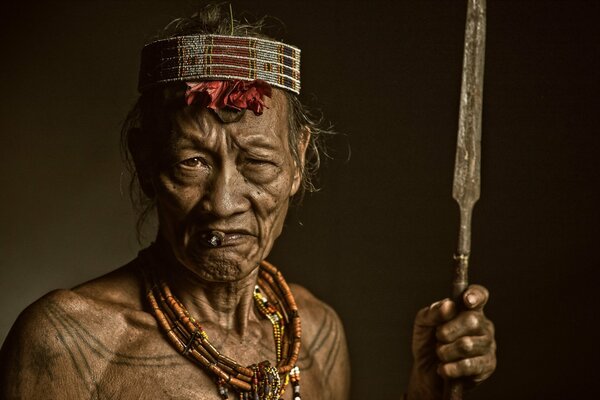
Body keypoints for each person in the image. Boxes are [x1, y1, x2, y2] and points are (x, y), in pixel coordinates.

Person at [0, 5, 496, 400]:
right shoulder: (68, 345)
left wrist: (426, 391)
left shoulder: (317, 338)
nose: (222, 203)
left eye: (257, 162)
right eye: (191, 162)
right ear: (146, 161)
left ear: (299, 160)